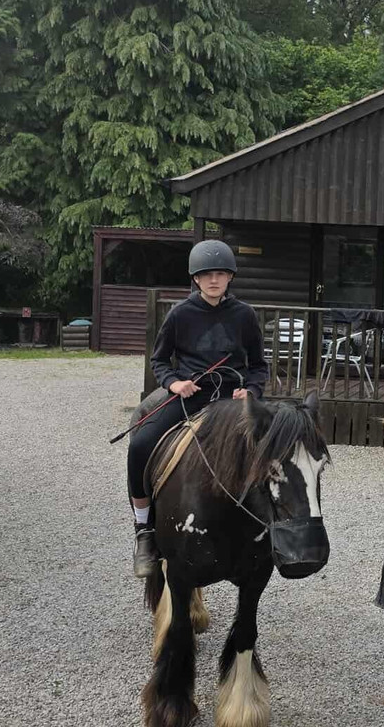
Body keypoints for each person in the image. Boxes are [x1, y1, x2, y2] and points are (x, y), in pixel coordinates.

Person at [127, 240, 268, 577]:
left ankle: (270, 527)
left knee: (277, 450)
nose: (214, 280)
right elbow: (160, 360)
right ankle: (144, 531)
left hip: (232, 402)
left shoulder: (245, 315)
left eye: (220, 274)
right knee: (140, 446)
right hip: (190, 398)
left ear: (230, 277)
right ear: (196, 279)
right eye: (207, 275)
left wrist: (250, 390)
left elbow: (259, 365)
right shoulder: (180, 314)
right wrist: (175, 383)